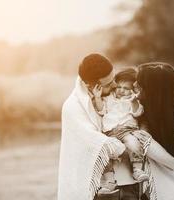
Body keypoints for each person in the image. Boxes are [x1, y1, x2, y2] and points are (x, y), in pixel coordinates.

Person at [58, 53, 129, 200]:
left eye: (114, 78)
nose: (115, 85)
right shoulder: (73, 107)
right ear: (90, 85)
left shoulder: (110, 97)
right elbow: (97, 142)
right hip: (90, 185)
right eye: (109, 84)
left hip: (120, 181)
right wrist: (130, 146)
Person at [132, 62, 174, 200]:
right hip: (145, 186)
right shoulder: (149, 103)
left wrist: (147, 144)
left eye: (140, 84)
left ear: (153, 90)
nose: (134, 86)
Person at [92, 68, 149, 193]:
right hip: (109, 132)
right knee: (103, 152)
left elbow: (137, 113)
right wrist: (97, 98)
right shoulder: (109, 99)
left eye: (126, 88)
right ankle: (109, 181)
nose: (121, 90)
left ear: (133, 89)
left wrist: (134, 101)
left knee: (133, 143)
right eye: (119, 87)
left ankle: (137, 170)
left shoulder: (133, 100)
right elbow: (101, 110)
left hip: (126, 130)